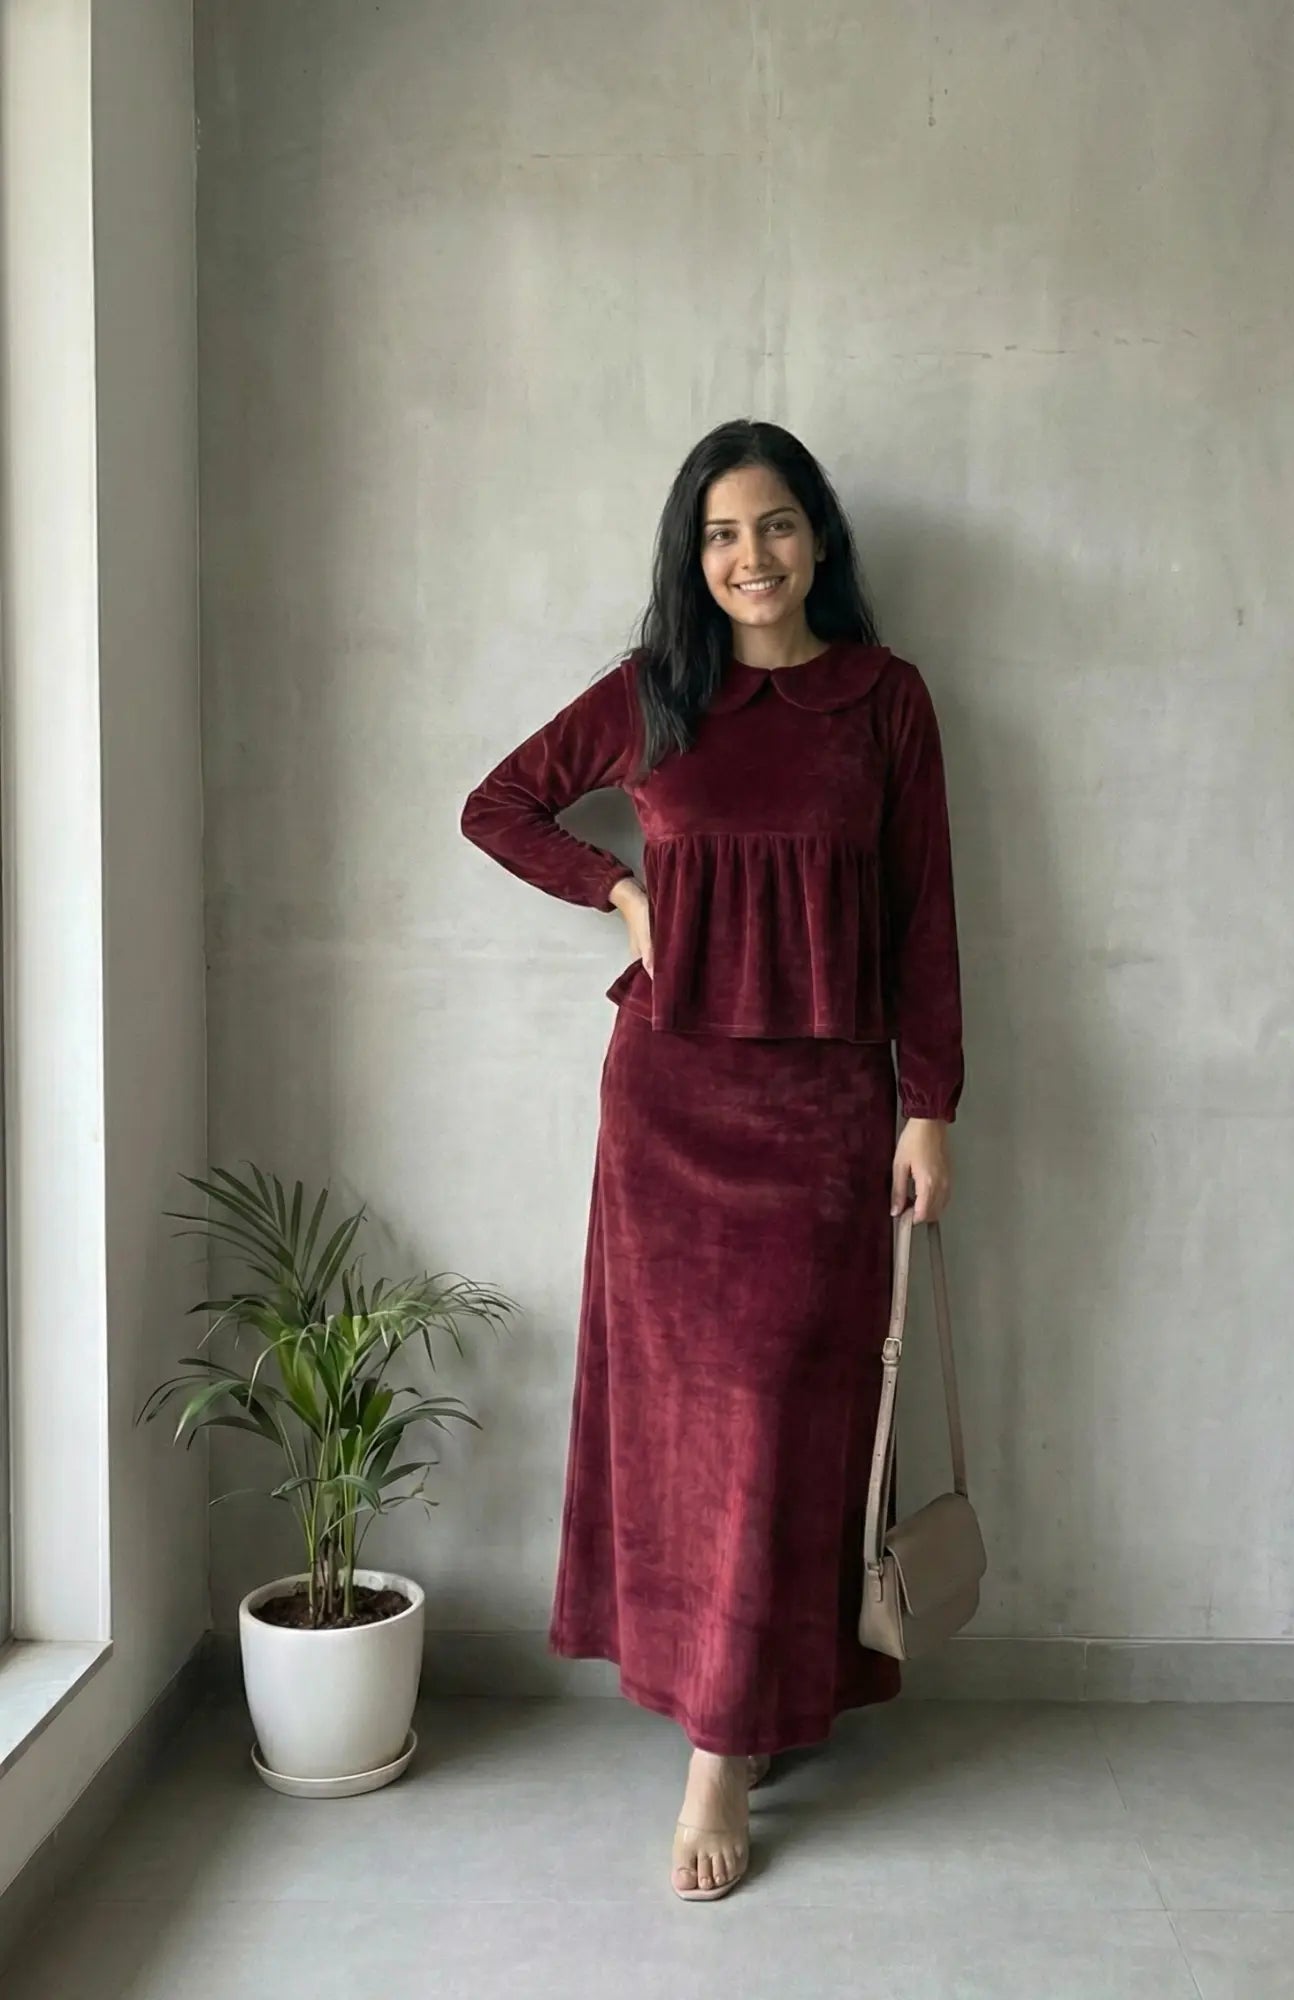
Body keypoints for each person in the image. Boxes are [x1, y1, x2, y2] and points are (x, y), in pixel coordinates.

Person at [460, 418, 964, 1902]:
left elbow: (927, 916)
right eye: (722, 534)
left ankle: (737, 1731)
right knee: (684, 1427)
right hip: (669, 1110)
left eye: (778, 526)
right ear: (695, 556)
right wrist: (618, 887)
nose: (753, 557)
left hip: (822, 1114)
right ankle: (721, 1731)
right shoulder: (652, 698)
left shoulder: (887, 701)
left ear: (821, 539)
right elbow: (498, 808)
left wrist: (930, 1103)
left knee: (782, 1426)